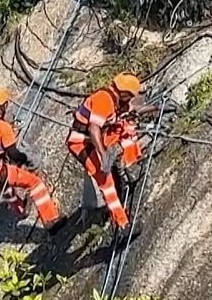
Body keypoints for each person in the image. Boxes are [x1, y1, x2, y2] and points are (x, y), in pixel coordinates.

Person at [67, 72, 156, 234]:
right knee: (105, 181)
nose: (129, 100)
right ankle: (122, 225)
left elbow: (133, 109)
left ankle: (124, 169)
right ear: (124, 93)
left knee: (127, 134)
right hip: (82, 143)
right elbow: (94, 129)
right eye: (129, 97)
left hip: (99, 138)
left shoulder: (117, 101)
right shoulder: (103, 99)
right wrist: (103, 155)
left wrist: (156, 107)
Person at [0, 87, 67, 232]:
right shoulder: (3, 127)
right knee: (35, 183)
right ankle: (50, 220)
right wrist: (25, 160)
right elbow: (13, 153)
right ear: (5, 105)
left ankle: (21, 210)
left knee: (4, 186)